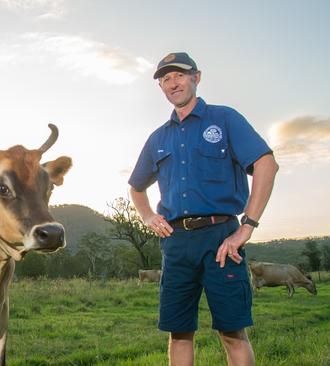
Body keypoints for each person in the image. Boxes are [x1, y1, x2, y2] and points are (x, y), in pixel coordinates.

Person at [128, 52, 278, 366]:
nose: (172, 82)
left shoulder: (224, 119)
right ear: (161, 88)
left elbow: (266, 164)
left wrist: (246, 227)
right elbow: (136, 186)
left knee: (232, 331)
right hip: (177, 243)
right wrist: (147, 216)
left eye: (179, 75)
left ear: (196, 77)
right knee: (179, 333)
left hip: (221, 239)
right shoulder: (158, 138)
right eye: (165, 78)